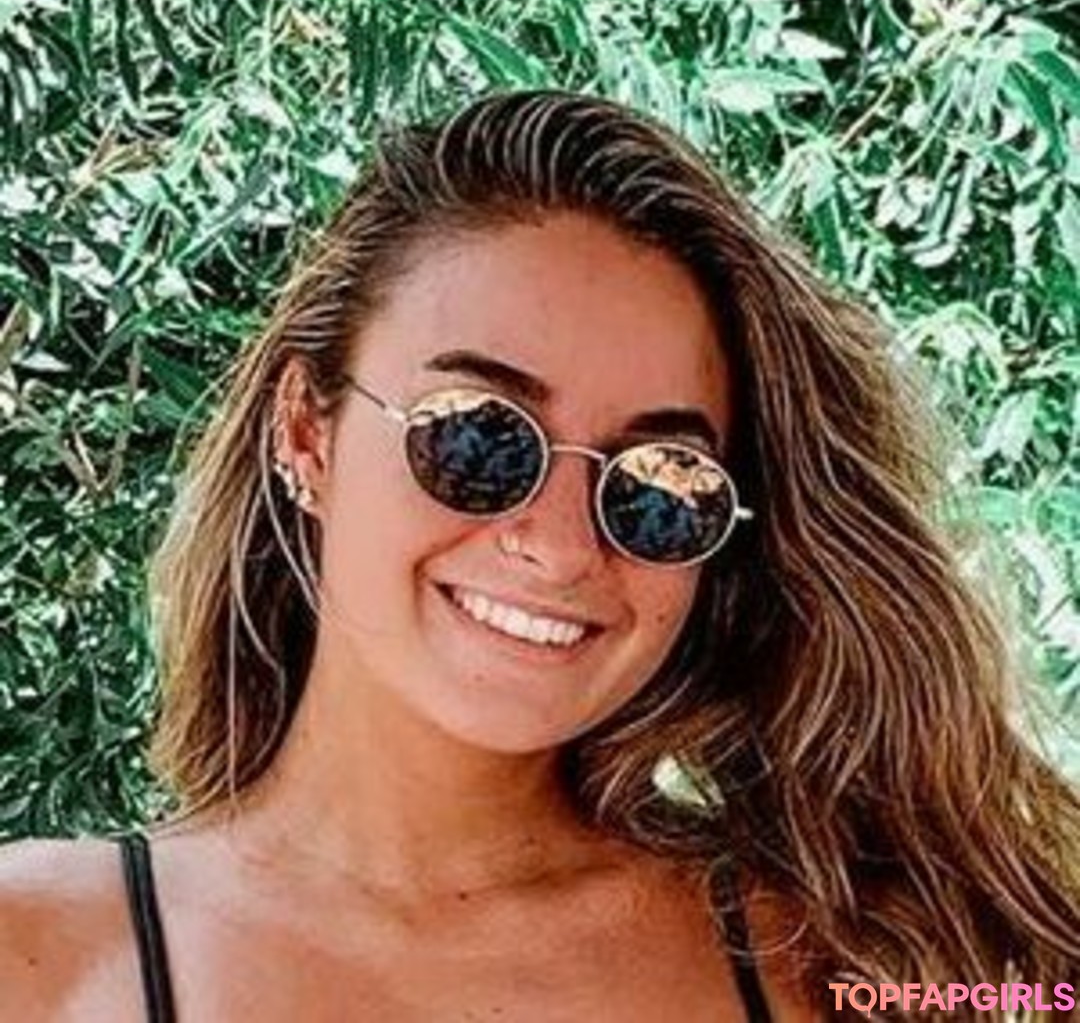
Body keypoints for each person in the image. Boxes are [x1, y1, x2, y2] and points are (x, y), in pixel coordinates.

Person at [2, 89, 1078, 1021]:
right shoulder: (39, 955)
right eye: (479, 437)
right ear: (306, 433)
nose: (560, 546)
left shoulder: (856, 961)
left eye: (659, 484)